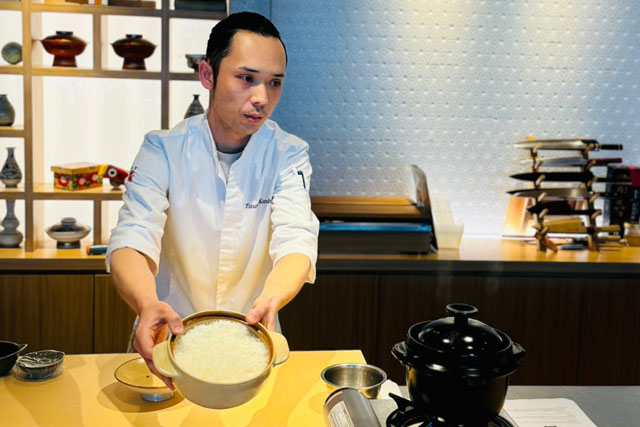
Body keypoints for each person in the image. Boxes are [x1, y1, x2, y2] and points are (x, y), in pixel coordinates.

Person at [107, 12, 319, 388]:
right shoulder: (163, 149)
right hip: (170, 339)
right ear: (208, 75)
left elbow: (296, 238)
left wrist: (272, 298)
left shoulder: (288, 153)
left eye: (274, 83)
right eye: (246, 78)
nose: (262, 98)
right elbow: (131, 239)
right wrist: (146, 303)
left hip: (250, 342)